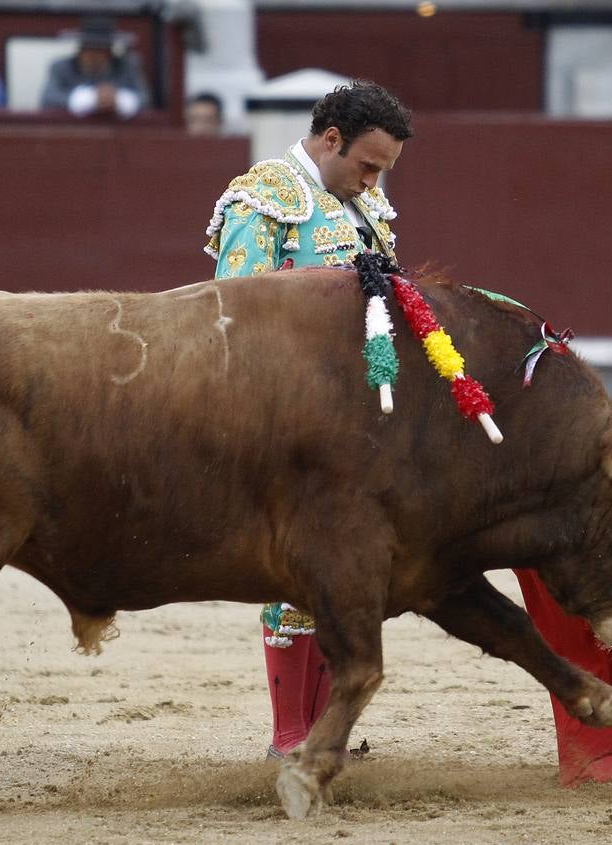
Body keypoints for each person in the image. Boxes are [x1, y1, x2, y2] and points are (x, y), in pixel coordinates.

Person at [203, 80, 413, 759]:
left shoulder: (365, 203)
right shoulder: (263, 198)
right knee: (297, 573)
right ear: (329, 141)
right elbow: (231, 313)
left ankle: (322, 734)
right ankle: (290, 736)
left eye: (381, 168)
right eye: (366, 164)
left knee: (342, 576)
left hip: (351, 423)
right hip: (282, 417)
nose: (373, 179)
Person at [40, 16, 149, 119]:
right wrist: (91, 99)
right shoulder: (61, 67)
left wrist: (118, 99)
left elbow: (145, 99)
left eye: (99, 49)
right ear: (80, 50)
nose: (93, 55)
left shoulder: (127, 66)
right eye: (89, 48)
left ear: (109, 52)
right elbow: (48, 98)